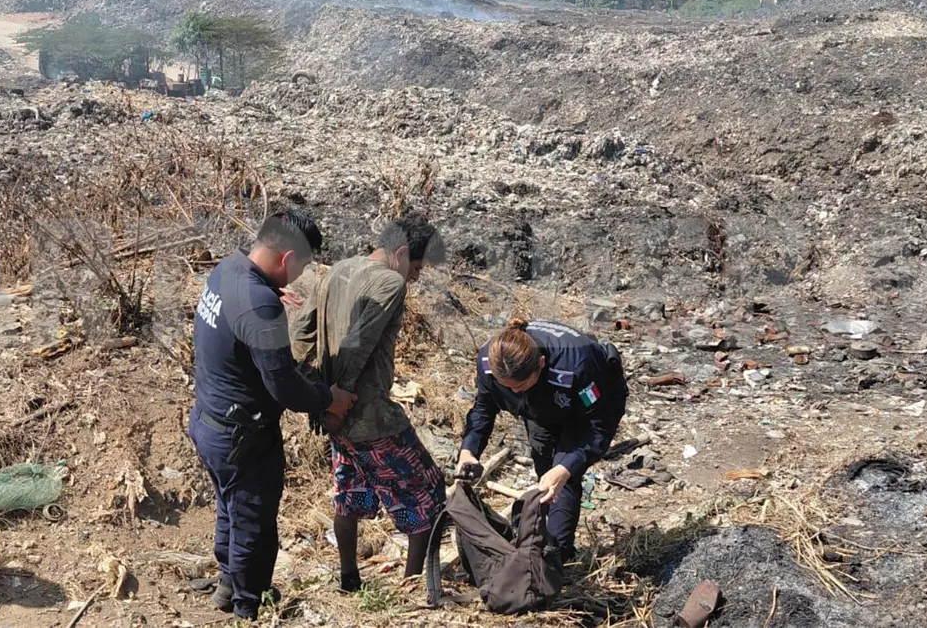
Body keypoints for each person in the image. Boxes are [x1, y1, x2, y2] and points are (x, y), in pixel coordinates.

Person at [188, 208, 357, 621]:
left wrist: (266, 299)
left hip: (210, 422)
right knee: (254, 523)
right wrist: (328, 398)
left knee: (231, 509)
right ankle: (248, 607)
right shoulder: (261, 304)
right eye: (303, 266)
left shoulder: (228, 271)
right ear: (287, 258)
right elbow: (283, 386)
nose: (300, 276)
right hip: (243, 438)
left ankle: (228, 586)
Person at [290, 212, 447, 591]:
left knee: (350, 494)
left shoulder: (338, 269)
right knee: (428, 493)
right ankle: (413, 586)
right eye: (416, 268)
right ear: (402, 253)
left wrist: (316, 395)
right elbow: (357, 344)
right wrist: (338, 400)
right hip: (368, 415)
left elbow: (299, 333)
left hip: (336, 415)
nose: (415, 277)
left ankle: (349, 578)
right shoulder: (390, 282)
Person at [456, 318, 628, 563]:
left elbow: (598, 425)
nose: (514, 392)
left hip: (589, 407)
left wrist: (566, 467)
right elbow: (483, 409)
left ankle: (557, 558)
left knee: (563, 475)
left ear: (541, 363)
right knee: (546, 471)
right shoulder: (490, 362)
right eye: (507, 387)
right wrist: (469, 450)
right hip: (540, 409)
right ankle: (537, 543)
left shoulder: (577, 363)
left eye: (521, 385)